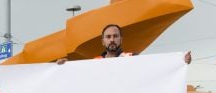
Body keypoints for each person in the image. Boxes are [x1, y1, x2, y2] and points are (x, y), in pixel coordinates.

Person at [57, 24, 192, 64]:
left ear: (121, 39)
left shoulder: (132, 58)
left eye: (115, 36)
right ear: (103, 41)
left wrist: (180, 61)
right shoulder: (94, 63)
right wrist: (61, 68)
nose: (112, 40)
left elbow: (155, 64)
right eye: (108, 37)